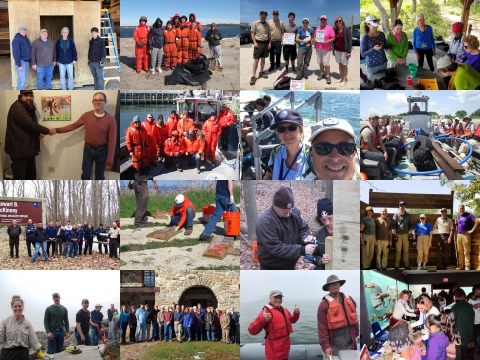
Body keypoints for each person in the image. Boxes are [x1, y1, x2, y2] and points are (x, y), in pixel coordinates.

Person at [54, 92, 117, 180]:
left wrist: (110, 161)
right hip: (88, 149)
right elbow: (73, 126)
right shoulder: (86, 116)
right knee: (85, 174)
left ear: (105, 102)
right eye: (95, 100)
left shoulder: (110, 120)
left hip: (102, 151)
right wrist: (57, 130)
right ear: (92, 102)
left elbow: (112, 141)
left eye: (100, 100)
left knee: (99, 176)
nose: (97, 102)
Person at [256, 186, 316, 270]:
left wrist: (305, 238)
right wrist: (301, 250)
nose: (289, 211)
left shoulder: (294, 212)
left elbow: (303, 228)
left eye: (291, 208)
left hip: (290, 264)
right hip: (272, 267)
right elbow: (276, 247)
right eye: (286, 209)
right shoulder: (266, 222)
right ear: (276, 205)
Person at [4, 90, 53, 180]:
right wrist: (48, 131)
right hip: (19, 150)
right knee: (20, 177)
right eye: (26, 95)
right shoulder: (17, 107)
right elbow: (30, 124)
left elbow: (29, 125)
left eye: (31, 96)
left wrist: (38, 133)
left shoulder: (28, 106)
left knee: (31, 175)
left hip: (27, 148)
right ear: (20, 96)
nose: (29, 98)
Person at [248, 290, 300, 359]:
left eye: (280, 297)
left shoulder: (284, 310)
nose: (278, 300)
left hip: (285, 348)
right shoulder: (266, 311)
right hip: (274, 353)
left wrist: (296, 313)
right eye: (275, 297)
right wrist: (262, 319)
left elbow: (292, 320)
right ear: (270, 298)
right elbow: (252, 331)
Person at [318, 275, 359, 358]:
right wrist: (326, 346)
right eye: (331, 284)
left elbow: (355, 317)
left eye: (336, 283)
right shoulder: (323, 304)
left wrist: (356, 334)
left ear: (340, 284)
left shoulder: (349, 299)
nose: (334, 286)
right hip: (335, 345)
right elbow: (321, 327)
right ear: (328, 287)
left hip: (351, 342)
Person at [263, 109, 310, 180]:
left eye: (292, 127)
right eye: (281, 129)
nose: (287, 133)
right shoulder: (275, 152)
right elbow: (269, 176)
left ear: (301, 130)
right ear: (278, 133)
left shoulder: (312, 156)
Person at [0, 295, 45, 360]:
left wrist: (40, 353)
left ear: (23, 307)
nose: (18, 308)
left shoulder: (27, 323)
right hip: (7, 355)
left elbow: (34, 341)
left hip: (23, 355)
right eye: (15, 306)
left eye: (19, 306)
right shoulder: (5, 322)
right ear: (12, 308)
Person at [360, 114, 394, 180]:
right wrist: (380, 153)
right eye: (373, 119)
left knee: (390, 151)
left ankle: (388, 168)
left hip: (373, 149)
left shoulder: (376, 129)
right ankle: (388, 176)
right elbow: (369, 147)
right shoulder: (367, 131)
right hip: (365, 151)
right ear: (369, 120)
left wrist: (385, 152)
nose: (375, 121)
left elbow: (381, 142)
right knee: (380, 157)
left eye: (376, 119)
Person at [451, 288, 475, 360]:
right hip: (467, 336)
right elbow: (471, 323)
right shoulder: (469, 306)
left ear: (456, 296)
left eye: (454, 296)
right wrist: (471, 338)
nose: (453, 297)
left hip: (458, 337)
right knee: (464, 355)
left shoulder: (455, 307)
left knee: (458, 356)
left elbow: (452, 322)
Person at [250, 10, 271, 85]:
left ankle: (261, 72)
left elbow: (269, 35)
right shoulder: (255, 23)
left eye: (265, 15)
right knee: (256, 59)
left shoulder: (267, 25)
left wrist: (269, 43)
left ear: (266, 16)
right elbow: (252, 33)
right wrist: (255, 42)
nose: (263, 16)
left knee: (263, 58)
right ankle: (253, 76)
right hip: (258, 43)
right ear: (259, 15)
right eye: (262, 15)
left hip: (265, 43)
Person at [455, 204, 478, 270]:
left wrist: (472, 230)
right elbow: (457, 226)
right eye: (460, 208)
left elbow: (477, 221)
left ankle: (467, 267)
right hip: (459, 235)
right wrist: (457, 234)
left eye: (462, 208)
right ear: (458, 209)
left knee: (466, 252)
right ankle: (461, 266)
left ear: (464, 209)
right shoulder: (458, 217)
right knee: (460, 252)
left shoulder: (469, 215)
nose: (461, 209)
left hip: (466, 235)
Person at [311, 199, 333, 270]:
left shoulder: (345, 231)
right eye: (323, 220)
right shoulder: (318, 234)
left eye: (330, 218)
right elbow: (312, 256)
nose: (327, 223)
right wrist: (320, 260)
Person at [392, 201, 414, 270]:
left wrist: (411, 234)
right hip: (398, 234)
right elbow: (394, 225)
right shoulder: (396, 215)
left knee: (406, 251)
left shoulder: (408, 215)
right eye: (401, 206)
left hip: (406, 234)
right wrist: (395, 235)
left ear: (405, 206)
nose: (402, 207)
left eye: (403, 206)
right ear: (399, 206)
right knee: (398, 251)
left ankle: (406, 265)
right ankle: (396, 266)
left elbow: (411, 225)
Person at [314, 15, 335, 84]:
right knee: (320, 62)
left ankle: (328, 75)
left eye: (324, 19)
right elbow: (314, 36)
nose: (323, 20)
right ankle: (322, 73)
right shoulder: (318, 28)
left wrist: (326, 42)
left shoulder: (330, 28)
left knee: (326, 62)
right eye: (321, 19)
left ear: (326, 20)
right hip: (318, 47)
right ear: (320, 20)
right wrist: (314, 39)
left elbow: (333, 38)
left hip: (326, 48)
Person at [332, 16, 352, 86]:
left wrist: (349, 52)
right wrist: (333, 50)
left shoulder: (346, 29)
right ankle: (340, 78)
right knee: (340, 64)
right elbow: (334, 41)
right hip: (337, 50)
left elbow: (350, 41)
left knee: (344, 65)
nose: (338, 22)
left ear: (342, 21)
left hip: (344, 51)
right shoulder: (335, 30)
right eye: (337, 21)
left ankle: (344, 79)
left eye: (339, 21)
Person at [12, 24, 31, 90]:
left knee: (24, 79)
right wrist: (19, 65)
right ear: (19, 30)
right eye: (23, 30)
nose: (24, 31)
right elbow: (16, 53)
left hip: (26, 62)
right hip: (21, 62)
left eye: (25, 30)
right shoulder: (16, 39)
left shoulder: (26, 38)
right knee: (22, 80)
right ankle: (22, 93)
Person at [468, 284, 480, 353]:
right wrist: (471, 306)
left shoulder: (479, 298)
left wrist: (478, 305)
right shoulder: (468, 299)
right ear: (477, 290)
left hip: (479, 321)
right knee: (474, 338)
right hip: (474, 322)